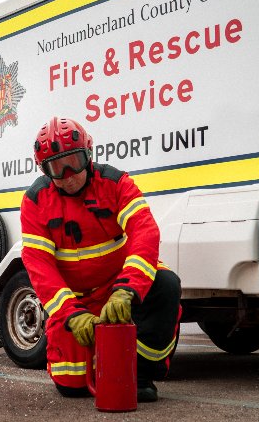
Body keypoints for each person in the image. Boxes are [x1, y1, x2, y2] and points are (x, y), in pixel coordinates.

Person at [20, 117, 181, 402]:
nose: (68, 175)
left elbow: (145, 232)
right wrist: (71, 314)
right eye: (57, 167)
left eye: (74, 162)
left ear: (89, 155)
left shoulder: (116, 183)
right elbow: (39, 266)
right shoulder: (35, 201)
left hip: (116, 288)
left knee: (166, 284)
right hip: (77, 299)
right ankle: (100, 362)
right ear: (44, 170)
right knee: (72, 387)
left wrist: (126, 291)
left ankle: (140, 374)